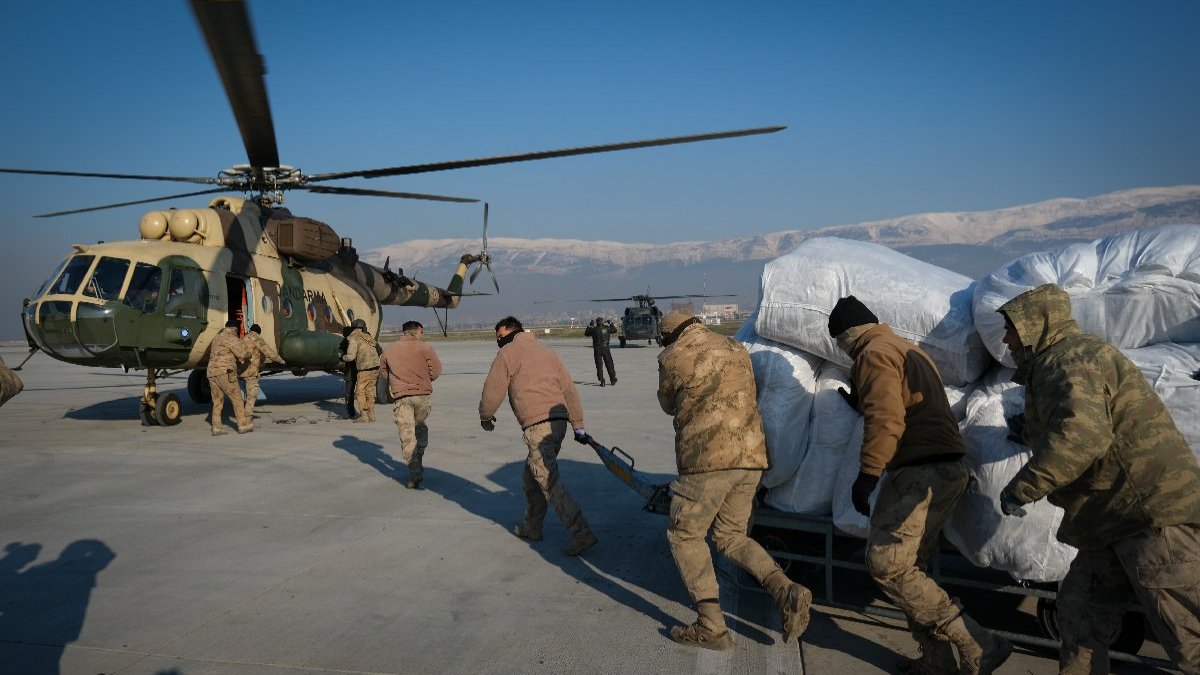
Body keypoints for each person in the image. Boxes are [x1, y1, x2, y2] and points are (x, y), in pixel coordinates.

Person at [996, 283, 1200, 675]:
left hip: (1150, 518)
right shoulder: (1060, 363)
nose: (1006, 339)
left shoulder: (1069, 359)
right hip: (1109, 523)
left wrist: (1023, 488)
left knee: (1189, 639)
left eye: (1011, 328)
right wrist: (1033, 430)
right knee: (1080, 618)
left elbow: (1082, 436)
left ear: (1035, 324)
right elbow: (1081, 422)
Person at [829, 295, 1011, 674]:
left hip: (918, 470)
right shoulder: (906, 349)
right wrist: (861, 401)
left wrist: (867, 475)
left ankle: (979, 643)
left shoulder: (872, 353)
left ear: (846, 336)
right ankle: (936, 662)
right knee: (911, 569)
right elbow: (907, 401)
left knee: (887, 565)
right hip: (948, 468)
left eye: (841, 344)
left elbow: (887, 418)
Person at [656, 309, 812, 650]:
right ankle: (785, 590)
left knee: (685, 535)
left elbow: (667, 404)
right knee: (731, 537)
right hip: (751, 457)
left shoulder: (672, 356)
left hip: (707, 460)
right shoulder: (735, 347)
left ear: (670, 335)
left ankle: (711, 626)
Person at [479, 316, 598, 556]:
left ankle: (581, 532)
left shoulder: (507, 354)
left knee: (548, 481)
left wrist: (485, 415)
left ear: (512, 332)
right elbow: (569, 390)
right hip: (558, 424)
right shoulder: (548, 353)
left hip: (538, 426)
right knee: (531, 478)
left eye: (501, 336)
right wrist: (578, 425)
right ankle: (533, 527)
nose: (499, 341)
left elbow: (493, 389)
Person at [380, 320, 442, 489]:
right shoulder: (425, 348)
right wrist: (422, 379)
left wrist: (398, 382)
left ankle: (414, 472)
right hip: (422, 396)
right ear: (417, 331)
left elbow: (383, 373)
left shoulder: (390, 349)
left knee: (407, 435)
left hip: (402, 397)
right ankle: (418, 459)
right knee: (420, 428)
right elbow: (436, 371)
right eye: (421, 332)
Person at [207, 319, 251, 436]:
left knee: (217, 402)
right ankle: (243, 425)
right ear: (235, 328)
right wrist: (249, 353)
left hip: (212, 372)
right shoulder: (232, 337)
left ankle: (216, 428)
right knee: (237, 399)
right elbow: (242, 354)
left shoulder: (217, 337)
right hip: (225, 372)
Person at [240, 324, 284, 421]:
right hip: (251, 372)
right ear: (258, 332)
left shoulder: (243, 338)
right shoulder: (257, 339)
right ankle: (247, 419)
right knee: (252, 395)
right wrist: (281, 360)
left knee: (247, 394)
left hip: (242, 371)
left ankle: (243, 414)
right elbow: (268, 352)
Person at [343, 318, 380, 423]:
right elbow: (379, 350)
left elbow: (351, 357)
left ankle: (364, 416)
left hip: (364, 369)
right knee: (370, 391)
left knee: (360, 392)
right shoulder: (369, 337)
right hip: (375, 368)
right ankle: (371, 415)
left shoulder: (353, 338)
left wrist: (343, 358)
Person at [584, 316, 618, 386]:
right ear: (602, 322)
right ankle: (613, 379)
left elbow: (586, 334)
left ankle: (602, 380)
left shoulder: (594, 329)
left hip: (597, 349)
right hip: (605, 348)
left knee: (599, 365)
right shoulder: (607, 328)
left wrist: (590, 326)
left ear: (596, 322)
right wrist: (610, 323)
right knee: (609, 364)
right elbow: (614, 330)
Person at [338, 325, 358, 420]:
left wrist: (342, 358)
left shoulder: (352, 341)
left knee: (349, 394)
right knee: (362, 393)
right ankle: (357, 414)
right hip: (361, 370)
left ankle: (352, 414)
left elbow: (348, 356)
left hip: (354, 370)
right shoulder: (364, 338)